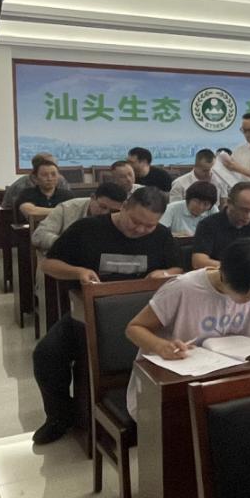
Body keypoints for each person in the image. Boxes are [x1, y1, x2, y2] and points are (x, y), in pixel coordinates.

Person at [32, 187, 181, 444]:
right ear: (123, 207)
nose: (140, 229)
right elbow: (49, 264)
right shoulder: (87, 229)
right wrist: (78, 272)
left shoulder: (162, 236)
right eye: (135, 221)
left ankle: (149, 416)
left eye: (149, 225)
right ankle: (59, 416)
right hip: (88, 314)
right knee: (47, 354)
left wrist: (164, 274)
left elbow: (178, 268)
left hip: (145, 316)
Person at [124, 239, 250, 419]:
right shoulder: (183, 288)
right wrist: (160, 346)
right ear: (224, 274)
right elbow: (134, 328)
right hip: (178, 384)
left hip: (233, 381)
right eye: (245, 294)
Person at [192, 182, 250, 270]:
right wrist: (235, 268)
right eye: (243, 210)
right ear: (229, 203)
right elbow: (198, 261)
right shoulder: (208, 225)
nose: (248, 216)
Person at [32, 183, 128, 253]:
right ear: (93, 197)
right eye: (102, 207)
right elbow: (39, 235)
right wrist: (66, 243)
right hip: (66, 259)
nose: (105, 213)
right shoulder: (67, 208)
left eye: (113, 211)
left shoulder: (123, 214)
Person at [2, 152, 71, 210]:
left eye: (53, 173)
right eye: (45, 174)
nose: (50, 178)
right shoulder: (21, 187)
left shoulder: (61, 181)